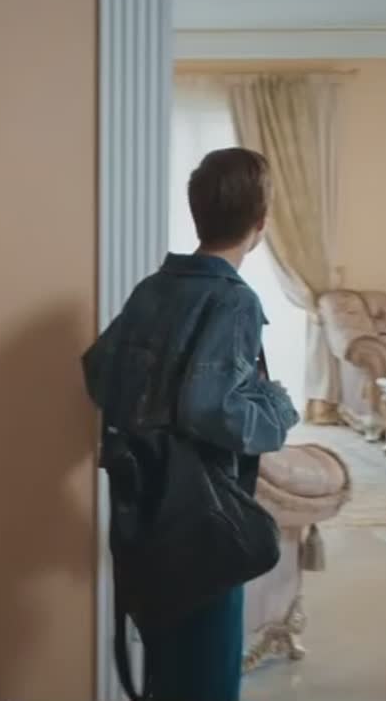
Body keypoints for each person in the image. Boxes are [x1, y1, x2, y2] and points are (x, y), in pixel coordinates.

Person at [83, 147, 299, 701]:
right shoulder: (233, 300)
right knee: (205, 681)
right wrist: (278, 408)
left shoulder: (155, 288)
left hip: (142, 512)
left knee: (167, 673)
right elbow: (211, 407)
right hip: (203, 521)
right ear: (260, 223)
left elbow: (99, 372)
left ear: (197, 211)